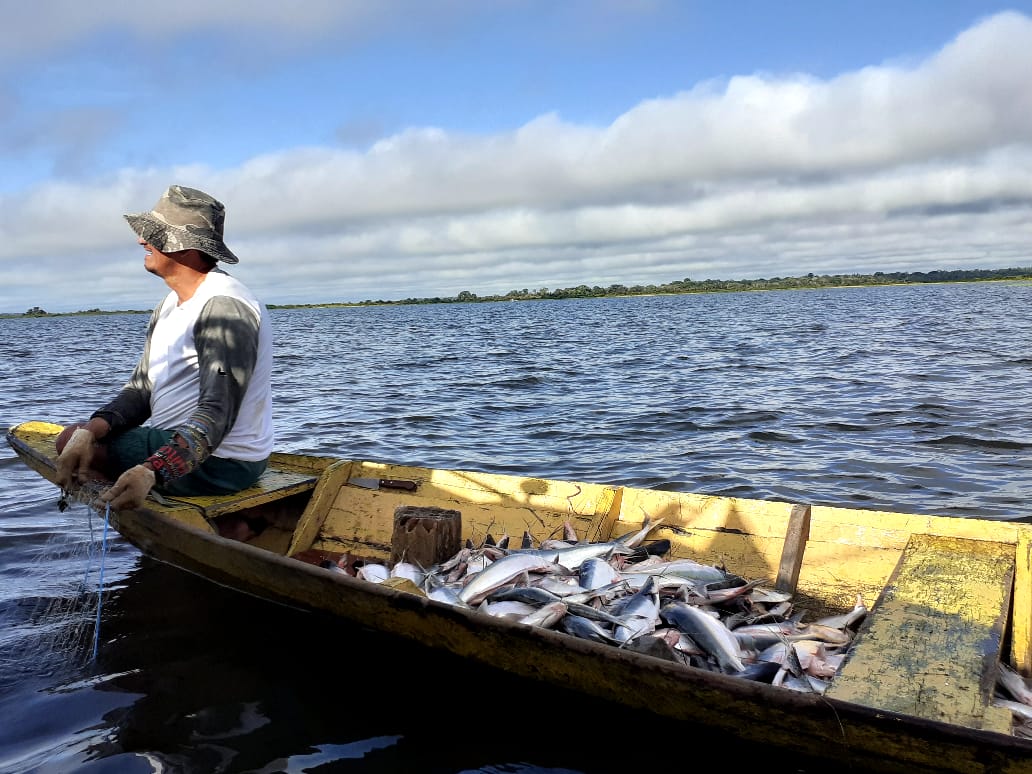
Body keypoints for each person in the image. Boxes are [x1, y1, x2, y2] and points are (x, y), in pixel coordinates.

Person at [54, 185, 274, 516]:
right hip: (185, 446)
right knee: (77, 439)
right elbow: (141, 390)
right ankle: (226, 523)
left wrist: (154, 470)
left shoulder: (224, 307)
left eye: (154, 235)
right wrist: (90, 430)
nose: (142, 241)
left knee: (64, 440)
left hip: (223, 461)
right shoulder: (170, 304)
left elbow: (219, 411)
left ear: (186, 247)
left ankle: (148, 509)